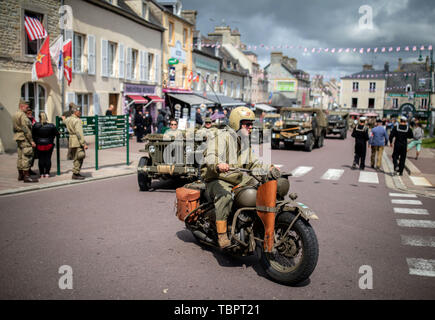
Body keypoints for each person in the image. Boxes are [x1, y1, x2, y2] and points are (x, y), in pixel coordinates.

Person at [200, 106, 279, 248]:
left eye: (251, 125)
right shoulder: (222, 137)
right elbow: (211, 155)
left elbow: (253, 163)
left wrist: (269, 169)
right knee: (225, 196)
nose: (250, 127)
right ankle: (222, 235)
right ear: (237, 123)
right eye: (247, 124)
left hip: (236, 178)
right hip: (217, 178)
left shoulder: (243, 141)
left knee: (260, 183)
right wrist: (218, 164)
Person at [12, 99, 38, 183]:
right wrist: (31, 141)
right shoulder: (22, 115)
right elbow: (26, 129)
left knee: (20, 156)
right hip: (24, 138)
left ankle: (20, 175)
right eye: (26, 107)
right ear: (21, 106)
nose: (27, 109)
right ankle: (26, 176)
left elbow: (15, 127)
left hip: (18, 137)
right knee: (27, 156)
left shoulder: (15, 114)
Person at [64, 104, 88, 180]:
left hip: (71, 140)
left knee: (76, 157)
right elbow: (79, 133)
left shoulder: (68, 119)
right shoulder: (77, 120)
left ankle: (76, 172)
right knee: (80, 157)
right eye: (79, 111)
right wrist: (83, 144)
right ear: (75, 111)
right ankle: (75, 173)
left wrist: (63, 118)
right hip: (77, 141)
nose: (80, 112)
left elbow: (64, 121)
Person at [32, 112, 59, 177]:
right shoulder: (51, 125)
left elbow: (33, 135)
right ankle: (47, 173)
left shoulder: (35, 125)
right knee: (48, 158)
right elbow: (57, 134)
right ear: (46, 117)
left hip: (39, 144)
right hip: (49, 144)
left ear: (39, 118)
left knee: (41, 159)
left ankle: (41, 173)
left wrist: (35, 141)